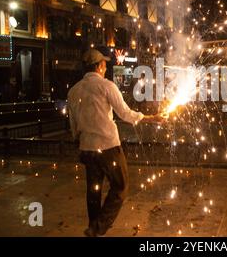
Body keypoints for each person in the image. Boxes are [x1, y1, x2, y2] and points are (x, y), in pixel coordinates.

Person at [67, 48, 165, 237]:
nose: (105, 67)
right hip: (108, 147)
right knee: (120, 186)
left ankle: (93, 228)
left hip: (87, 148)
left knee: (93, 190)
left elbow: (73, 123)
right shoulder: (106, 86)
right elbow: (125, 113)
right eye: (104, 64)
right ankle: (98, 228)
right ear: (98, 66)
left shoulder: (73, 91)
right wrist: (152, 118)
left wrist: (78, 141)